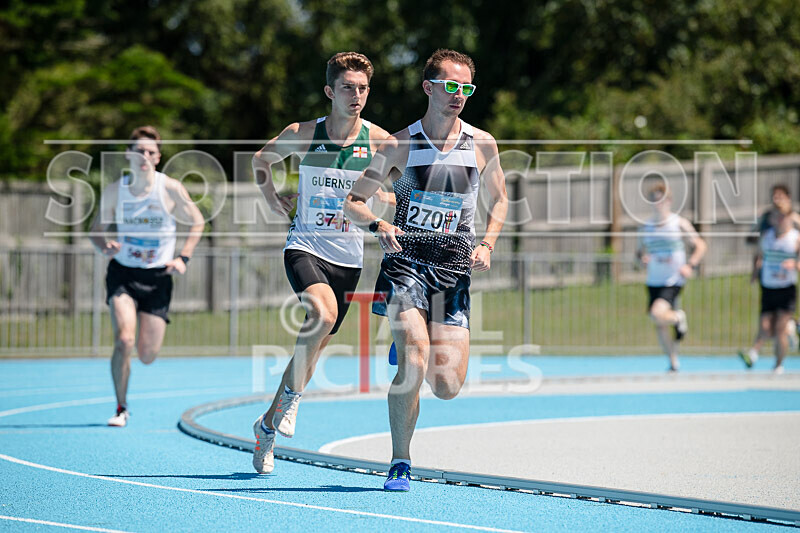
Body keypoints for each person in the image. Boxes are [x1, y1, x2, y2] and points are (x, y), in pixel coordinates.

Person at [344, 49, 509, 491]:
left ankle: (411, 351)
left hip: (454, 269)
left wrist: (488, 242)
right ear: (429, 88)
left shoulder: (482, 143)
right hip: (406, 264)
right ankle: (400, 461)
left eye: (466, 88)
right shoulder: (399, 144)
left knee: (447, 385)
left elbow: (501, 201)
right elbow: (354, 201)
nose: (458, 96)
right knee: (414, 361)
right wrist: (380, 224)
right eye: (450, 86)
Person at [250, 52, 392, 474]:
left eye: (363, 88)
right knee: (321, 312)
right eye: (348, 87)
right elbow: (261, 160)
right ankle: (293, 402)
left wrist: (381, 207)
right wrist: (272, 197)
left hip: (349, 260)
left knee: (310, 352)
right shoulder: (303, 133)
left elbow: (389, 193)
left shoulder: (380, 141)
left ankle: (266, 426)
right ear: (330, 91)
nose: (357, 95)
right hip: (305, 245)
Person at [89, 126, 205, 427]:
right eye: (139, 150)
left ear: (158, 158)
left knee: (148, 354)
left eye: (150, 152)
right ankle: (121, 407)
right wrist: (105, 246)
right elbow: (95, 230)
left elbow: (197, 222)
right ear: (129, 155)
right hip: (123, 274)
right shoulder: (116, 190)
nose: (144, 156)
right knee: (124, 339)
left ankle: (134, 370)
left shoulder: (170, 188)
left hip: (158, 278)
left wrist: (183, 257)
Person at [636, 183, 707, 372]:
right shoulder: (646, 228)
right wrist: (643, 260)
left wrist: (690, 265)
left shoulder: (679, 223)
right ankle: (673, 362)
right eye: (653, 200)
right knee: (659, 324)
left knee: (656, 313)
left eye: (660, 199)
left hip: (673, 280)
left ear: (668, 201)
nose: (657, 204)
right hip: (653, 281)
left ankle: (678, 317)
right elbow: (639, 255)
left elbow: (700, 245)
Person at [738, 208, 800, 374]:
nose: (779, 220)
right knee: (766, 327)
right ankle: (792, 327)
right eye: (776, 216)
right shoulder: (767, 237)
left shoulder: (795, 238)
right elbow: (758, 255)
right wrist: (754, 273)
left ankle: (778, 365)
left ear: (789, 218)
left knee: (779, 328)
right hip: (768, 287)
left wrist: (794, 264)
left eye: (782, 217)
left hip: (786, 288)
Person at [746, 184, 800, 349]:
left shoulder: (795, 221)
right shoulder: (767, 218)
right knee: (768, 324)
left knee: (779, 322)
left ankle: (790, 325)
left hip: (788, 277)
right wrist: (755, 271)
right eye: (774, 196)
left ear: (788, 198)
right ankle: (791, 325)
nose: (776, 199)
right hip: (770, 273)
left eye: (780, 196)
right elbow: (752, 242)